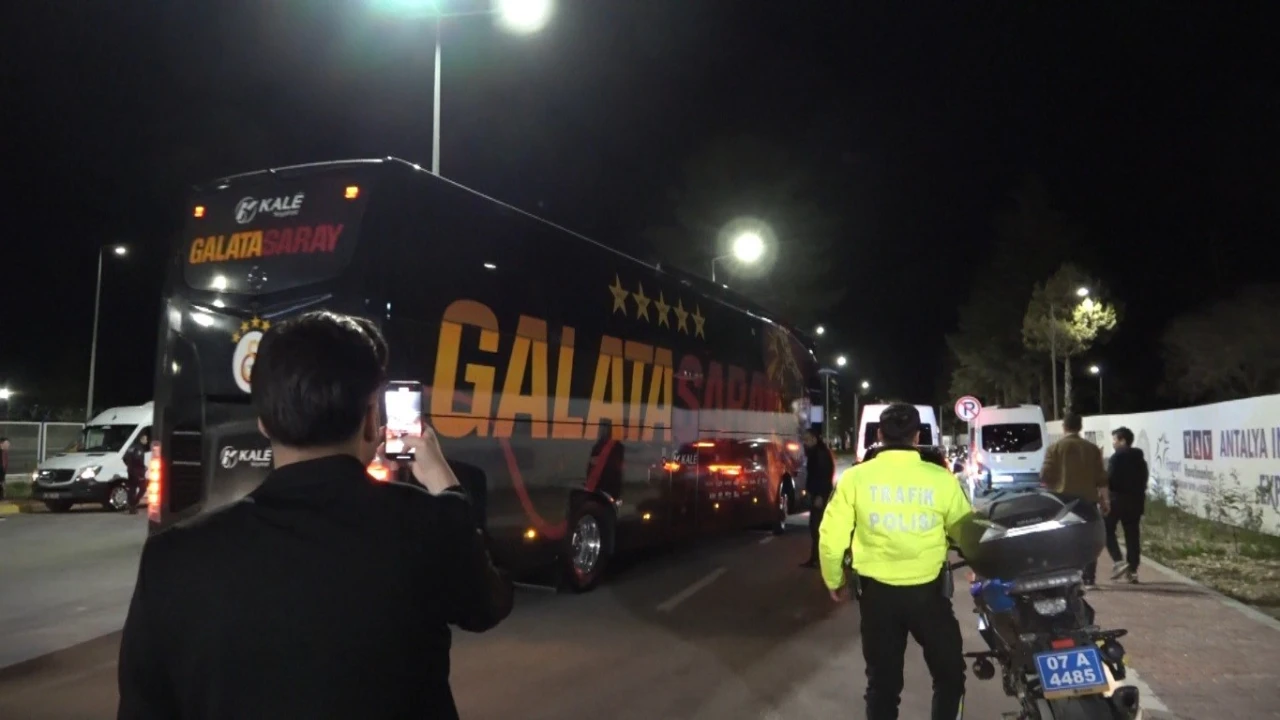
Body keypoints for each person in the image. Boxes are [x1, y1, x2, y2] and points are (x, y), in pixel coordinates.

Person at [117, 311, 513, 720]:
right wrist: (445, 486)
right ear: (372, 420)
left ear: (264, 423)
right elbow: (489, 604)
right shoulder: (427, 525)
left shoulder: (171, 559)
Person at [818, 403, 971, 720]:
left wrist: (835, 580)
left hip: (877, 598)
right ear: (917, 437)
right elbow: (966, 532)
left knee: (883, 686)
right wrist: (979, 563)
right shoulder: (941, 479)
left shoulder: (855, 478)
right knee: (950, 676)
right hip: (929, 596)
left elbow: (831, 539)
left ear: (879, 434)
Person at [1039, 412, 1109, 588]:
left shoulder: (1055, 448)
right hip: (1087, 501)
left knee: (1062, 539)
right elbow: (1101, 479)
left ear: (1064, 427)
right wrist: (1105, 501)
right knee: (1089, 539)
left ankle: (1067, 577)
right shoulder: (1092, 449)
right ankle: (1089, 578)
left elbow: (1045, 475)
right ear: (1080, 427)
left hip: (1062, 503)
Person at [1105, 427, 1148, 583]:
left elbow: (1110, 479)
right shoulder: (1140, 459)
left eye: (1115, 440)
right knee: (1132, 534)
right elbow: (1144, 479)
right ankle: (1133, 570)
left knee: (1106, 529)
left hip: (1117, 500)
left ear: (1122, 440)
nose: (1113, 443)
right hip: (1136, 501)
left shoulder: (1116, 458)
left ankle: (1118, 560)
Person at [800, 427, 835, 568]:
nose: (805, 443)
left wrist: (820, 495)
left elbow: (824, 476)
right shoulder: (816, 453)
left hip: (821, 495)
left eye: (807, 440)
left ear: (814, 439)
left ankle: (819, 559)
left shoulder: (820, 454)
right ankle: (815, 558)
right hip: (818, 494)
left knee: (817, 528)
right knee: (815, 528)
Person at [122, 432, 148, 514]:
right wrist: (143, 467)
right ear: (141, 439)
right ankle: (134, 503)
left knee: (132, 489)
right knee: (143, 488)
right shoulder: (139, 448)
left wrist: (129, 466)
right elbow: (138, 460)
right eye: (145, 439)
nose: (146, 441)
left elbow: (124, 458)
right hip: (138, 472)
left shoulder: (131, 447)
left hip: (130, 471)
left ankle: (131, 507)